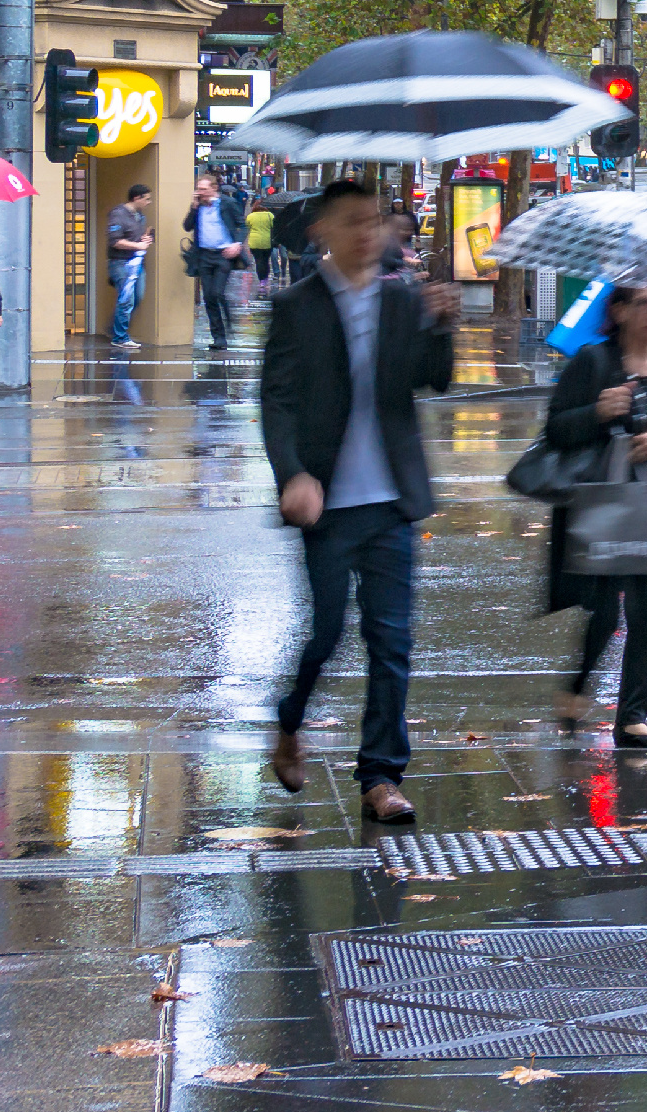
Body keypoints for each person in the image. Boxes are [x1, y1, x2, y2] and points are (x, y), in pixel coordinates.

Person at [259, 180, 458, 825]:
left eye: (375, 221)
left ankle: (380, 776)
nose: (369, 232)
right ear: (322, 231)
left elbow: (430, 380)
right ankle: (291, 722)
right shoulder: (297, 307)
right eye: (353, 221)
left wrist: (441, 326)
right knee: (325, 633)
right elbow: (278, 402)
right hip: (328, 503)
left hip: (391, 501)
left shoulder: (403, 302)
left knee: (391, 640)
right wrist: (292, 474)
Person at [542, 284, 647, 751]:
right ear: (619, 309)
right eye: (646, 303)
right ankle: (576, 686)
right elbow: (555, 429)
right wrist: (596, 410)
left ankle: (632, 718)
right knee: (605, 611)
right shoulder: (593, 363)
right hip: (600, 506)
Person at [185, 171, 247, 352]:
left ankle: (228, 320)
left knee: (217, 293)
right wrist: (194, 207)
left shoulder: (227, 204)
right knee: (209, 297)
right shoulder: (198, 207)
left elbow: (241, 225)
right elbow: (187, 226)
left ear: (214, 188)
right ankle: (219, 337)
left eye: (203, 189)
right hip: (204, 255)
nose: (200, 192)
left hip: (224, 254)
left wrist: (237, 244)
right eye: (198, 189)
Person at [105, 182, 153, 351]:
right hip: (121, 263)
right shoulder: (118, 214)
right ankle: (120, 337)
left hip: (137, 264)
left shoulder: (140, 216)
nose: (149, 202)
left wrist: (145, 240)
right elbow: (115, 241)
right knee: (126, 300)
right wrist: (138, 246)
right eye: (146, 199)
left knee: (136, 298)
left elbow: (136, 239)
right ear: (136, 198)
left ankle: (116, 329)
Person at [245, 193, 276, 294]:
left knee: (258, 261)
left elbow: (247, 226)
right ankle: (266, 278)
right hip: (267, 241)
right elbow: (273, 226)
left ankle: (261, 280)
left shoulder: (250, 216)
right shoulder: (270, 215)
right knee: (266, 260)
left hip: (254, 241)